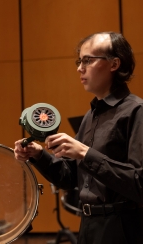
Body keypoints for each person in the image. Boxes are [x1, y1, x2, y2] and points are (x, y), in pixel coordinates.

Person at [14, 32, 143, 244]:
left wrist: (85, 153)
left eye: (88, 60)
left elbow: (139, 183)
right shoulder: (91, 115)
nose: (79, 68)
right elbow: (69, 177)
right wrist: (38, 155)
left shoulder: (136, 112)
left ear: (114, 64)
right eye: (79, 61)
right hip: (88, 226)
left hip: (122, 229)